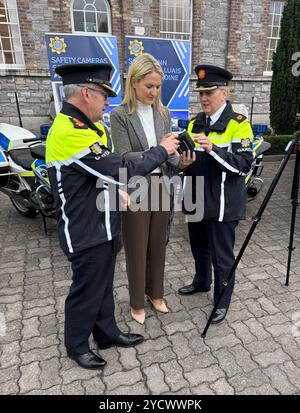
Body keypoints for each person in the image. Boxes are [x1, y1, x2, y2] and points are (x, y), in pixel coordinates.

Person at [45, 63, 179, 369]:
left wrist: (113, 187)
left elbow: (97, 172)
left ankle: (106, 333)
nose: (107, 101)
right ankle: (76, 346)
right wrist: (160, 150)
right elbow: (123, 169)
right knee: (86, 289)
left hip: (102, 222)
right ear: (86, 93)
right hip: (84, 227)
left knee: (102, 283)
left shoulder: (86, 127)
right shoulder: (69, 131)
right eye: (103, 94)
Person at [110, 53, 192, 324]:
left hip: (161, 185)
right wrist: (156, 150)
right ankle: (136, 301)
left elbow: (168, 157)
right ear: (134, 82)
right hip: (135, 186)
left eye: (158, 87)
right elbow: (122, 156)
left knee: (158, 244)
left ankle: (155, 294)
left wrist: (180, 162)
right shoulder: (120, 115)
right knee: (136, 247)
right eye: (149, 86)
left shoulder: (163, 113)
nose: (154, 92)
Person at [178, 64, 254, 324]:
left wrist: (213, 150)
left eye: (208, 92)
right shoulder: (194, 122)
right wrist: (182, 161)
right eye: (200, 93)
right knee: (199, 249)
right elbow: (187, 162)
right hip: (197, 198)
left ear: (224, 92)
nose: (203, 98)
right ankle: (201, 282)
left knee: (222, 257)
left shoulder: (239, 125)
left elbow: (244, 165)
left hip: (223, 204)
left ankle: (221, 301)